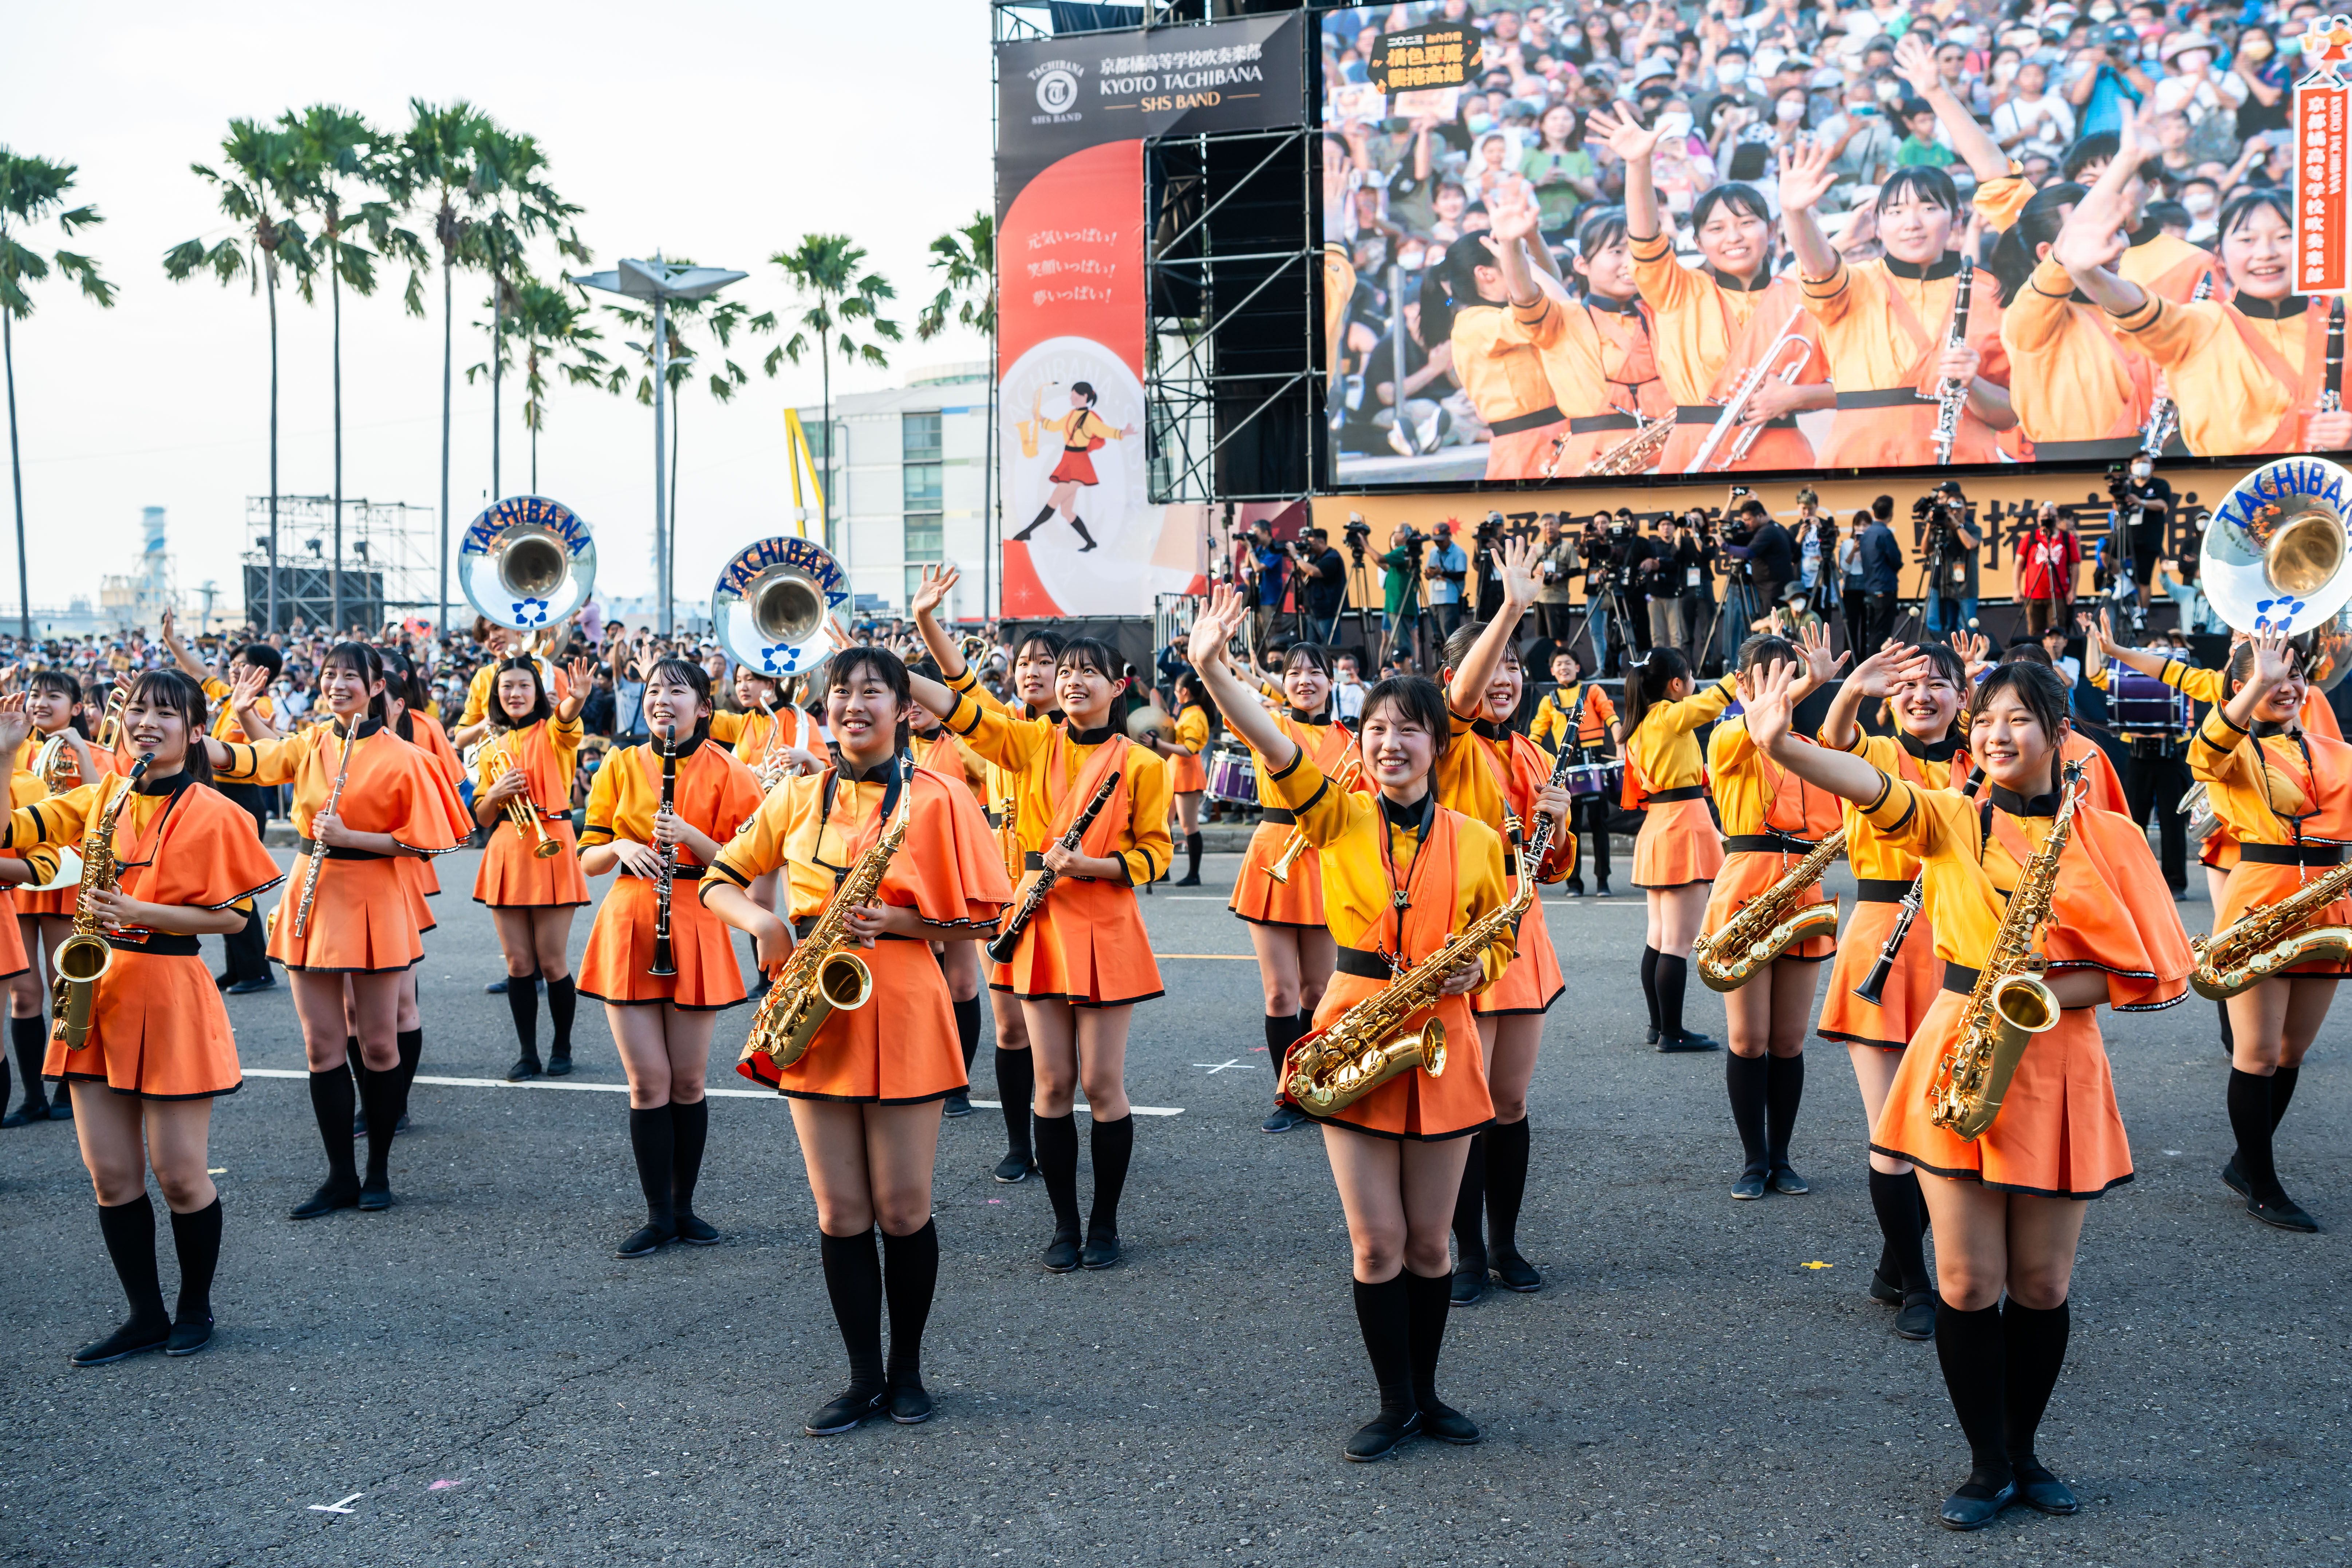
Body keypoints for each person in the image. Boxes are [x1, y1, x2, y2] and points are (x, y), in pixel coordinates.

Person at [1742, 653, 2189, 1531]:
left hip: (2055, 1057)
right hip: (1954, 1049)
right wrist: (1783, 745)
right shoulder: (1947, 815)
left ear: (2059, 736)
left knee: (2039, 1281)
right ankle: (1986, 1462)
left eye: (2016, 718)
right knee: (1961, 1275)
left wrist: (2043, 993)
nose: (1993, 733)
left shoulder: (2111, 835)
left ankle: (2025, 1451)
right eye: (1983, 719)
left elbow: (2151, 968)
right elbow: (1867, 783)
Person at [1183, 584, 1512, 1463]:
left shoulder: (1479, 839)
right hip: (1352, 1026)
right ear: (1359, 745)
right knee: (1375, 1243)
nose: (1389, 743)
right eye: (1374, 730)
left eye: (1408, 730)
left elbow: (1504, 931)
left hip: (1440, 1031)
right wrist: (1211, 666)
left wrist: (1487, 963)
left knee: (1431, 1241)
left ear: (1437, 745)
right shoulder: (1331, 812)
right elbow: (1268, 736)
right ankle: (1392, 1400)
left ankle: (1430, 1393)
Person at [703, 645, 1011, 1435]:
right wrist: (765, 922)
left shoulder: (942, 796)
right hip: (815, 1003)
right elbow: (717, 879)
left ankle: (908, 1370)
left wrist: (902, 920)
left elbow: (987, 917)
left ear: (904, 709)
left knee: (903, 1206)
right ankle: (861, 1376)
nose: (853, 704)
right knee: (840, 1209)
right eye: (840, 692)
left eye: (872, 692)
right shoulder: (797, 795)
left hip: (903, 994)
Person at [0, 672, 282, 1364]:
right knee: (112, 1176)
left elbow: (235, 917)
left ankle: (195, 1308)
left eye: (165, 712)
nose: (146, 722)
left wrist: (140, 912)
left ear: (193, 729)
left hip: (170, 985)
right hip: (94, 989)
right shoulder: (105, 792)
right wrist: (6, 754)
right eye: (137, 710)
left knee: (182, 1174)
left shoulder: (216, 810)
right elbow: (11, 832)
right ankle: (144, 1315)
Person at [911, 630, 1172, 1273]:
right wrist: (897, 667)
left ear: (1119, 686)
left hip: (1106, 922)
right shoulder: (1031, 741)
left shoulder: (1143, 764)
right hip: (1040, 922)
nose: (1074, 681)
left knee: (1102, 1083)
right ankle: (1064, 1224)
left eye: (1091, 673)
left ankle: (1106, 1223)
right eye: (1068, 673)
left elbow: (1156, 854)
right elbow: (963, 709)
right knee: (1052, 1083)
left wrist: (1093, 863)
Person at [210, 644, 467, 1219]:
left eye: (351, 674)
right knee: (321, 1045)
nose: (337, 683)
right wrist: (215, 720)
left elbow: (427, 839)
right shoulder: (308, 741)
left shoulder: (406, 755)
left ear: (378, 685)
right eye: (330, 674)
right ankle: (339, 1176)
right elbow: (251, 759)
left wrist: (353, 837)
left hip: (375, 892)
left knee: (378, 1042)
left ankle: (378, 1171)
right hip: (313, 891)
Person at [576, 657, 766, 1258]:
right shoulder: (620, 762)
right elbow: (586, 856)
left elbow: (751, 860)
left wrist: (687, 831)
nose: (662, 699)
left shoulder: (731, 772)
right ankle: (659, 1213)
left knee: (686, 1079)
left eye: (676, 691)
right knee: (648, 1080)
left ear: (703, 707)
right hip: (631, 917)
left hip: (697, 912)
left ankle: (685, 1207)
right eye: (654, 689)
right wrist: (622, 846)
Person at [1813, 639, 1974, 1341]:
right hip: (1885, 934)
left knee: (1948, 1120)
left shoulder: (1982, 760)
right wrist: (1851, 688)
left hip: (1964, 939)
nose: (1921, 695)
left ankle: (1892, 1262)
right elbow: (1834, 739)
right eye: (1908, 685)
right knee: (1892, 1134)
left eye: (1939, 684)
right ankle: (1915, 1283)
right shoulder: (1876, 751)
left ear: (1963, 696)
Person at [1436, 543, 1576, 1304]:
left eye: (1513, 670)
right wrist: (1512, 605)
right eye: (1491, 668)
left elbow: (1548, 869)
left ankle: (1502, 1243)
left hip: (1520, 944)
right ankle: (1458, 1251)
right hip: (1458, 939)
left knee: (1510, 1101)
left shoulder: (1531, 750)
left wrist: (1556, 824)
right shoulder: (1447, 736)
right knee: (1464, 1100)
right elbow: (1458, 696)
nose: (1503, 680)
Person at [2189, 629, 2347, 1233]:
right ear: (2241, 688)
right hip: (2260, 904)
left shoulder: (2334, 748)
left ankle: (2244, 1162)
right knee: (2255, 1054)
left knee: (2293, 1051)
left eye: (2295, 677)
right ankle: (2263, 1181)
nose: (2287, 687)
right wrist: (2254, 679)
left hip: (2327, 907)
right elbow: (2204, 755)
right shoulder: (2233, 751)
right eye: (2269, 679)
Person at [2049, 147, 2352, 459]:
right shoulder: (2198, 323)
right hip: (2222, 498)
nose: (2265, 253)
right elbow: (2136, 310)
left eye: (2285, 237)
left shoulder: (2345, 319)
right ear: (2219, 257)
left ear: (2314, 248)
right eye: (2247, 240)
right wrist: (2088, 274)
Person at [909, 584, 1063, 1184]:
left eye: (1046, 663)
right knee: (1009, 1025)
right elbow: (960, 683)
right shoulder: (1000, 724)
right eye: (1024, 662)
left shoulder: (1075, 734)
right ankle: (1020, 1143)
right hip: (1002, 885)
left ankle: (1062, 1126)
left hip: (1062, 887)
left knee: (1062, 1026)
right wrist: (925, 620)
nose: (1033, 672)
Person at [1587, 106, 1831, 475]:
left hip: (1782, 454)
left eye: (1747, 223)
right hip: (1694, 452)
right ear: (1698, 243)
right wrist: (1638, 166)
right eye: (1716, 229)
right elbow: (1646, 239)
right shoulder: (1679, 291)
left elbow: (1862, 384)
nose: (1733, 237)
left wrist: (1798, 396)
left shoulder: (1805, 295)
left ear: (1772, 230)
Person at [1700, 628, 1843, 1200]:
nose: (1780, 688)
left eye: (1791, 674)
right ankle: (1753, 1159)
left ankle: (1782, 1156)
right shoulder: (1727, 739)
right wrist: (1807, 683)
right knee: (1746, 1038)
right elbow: (1755, 726)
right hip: (1744, 893)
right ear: (1742, 683)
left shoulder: (1809, 749)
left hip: (1802, 895)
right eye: (1768, 676)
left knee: (1788, 1040)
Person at [1778, 143, 2016, 465]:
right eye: (1896, 212)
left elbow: (2009, 416)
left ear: (1958, 217)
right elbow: (1819, 267)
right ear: (1877, 224)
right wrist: (1796, 214)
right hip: (1858, 463)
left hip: (1963, 466)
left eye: (1930, 209)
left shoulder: (1994, 293)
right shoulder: (1854, 283)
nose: (1912, 223)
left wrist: (1974, 384)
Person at [1224, 642, 1357, 1136]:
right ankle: (1289, 1093)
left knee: (1318, 991)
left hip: (1326, 857)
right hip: (1273, 852)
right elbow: (1231, 700)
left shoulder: (1352, 740)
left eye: (1315, 672)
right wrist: (1216, 656)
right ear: (1283, 681)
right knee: (1280, 993)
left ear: (1332, 681)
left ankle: (1314, 1083)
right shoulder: (1272, 723)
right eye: (1295, 672)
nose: (1305, 680)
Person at [1481, 199, 1673, 479]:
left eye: (1636, 253)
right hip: (1591, 462)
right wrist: (1511, 246)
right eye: (1617, 252)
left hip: (1670, 454)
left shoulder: (1664, 313)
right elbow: (1526, 296)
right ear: (1582, 265)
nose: (1630, 263)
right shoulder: (1562, 318)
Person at [471, 655, 592, 1080]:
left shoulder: (554, 732)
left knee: (552, 961)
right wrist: (497, 792)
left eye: (524, 686)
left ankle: (562, 1045)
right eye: (507, 687)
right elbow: (482, 818)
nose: (515, 694)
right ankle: (527, 1053)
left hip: (552, 840)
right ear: (497, 695)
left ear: (537, 692)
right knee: (519, 963)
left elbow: (566, 718)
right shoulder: (490, 748)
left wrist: (576, 698)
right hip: (507, 845)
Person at [6, 667, 111, 1127]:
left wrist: (77, 745)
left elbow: (102, 800)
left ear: (76, 707)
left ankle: (71, 1084)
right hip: (20, 877)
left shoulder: (94, 751)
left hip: (67, 875)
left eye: (54, 695)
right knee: (24, 995)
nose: (41, 701)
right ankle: (32, 1096)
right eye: (35, 694)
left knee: (63, 983)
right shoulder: (14, 746)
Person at [159, 610, 279, 995]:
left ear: (262, 674)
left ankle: (257, 969)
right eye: (233, 664)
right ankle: (240, 966)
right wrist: (173, 642)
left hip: (243, 794)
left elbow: (263, 748)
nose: (231, 670)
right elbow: (198, 672)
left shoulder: (257, 706)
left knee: (236, 886)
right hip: (220, 792)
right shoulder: (228, 698)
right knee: (219, 884)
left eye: (242, 666)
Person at [1622, 647, 1736, 1052]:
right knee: (1678, 942)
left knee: (1659, 937)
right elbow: (1707, 706)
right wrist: (1740, 676)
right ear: (1676, 684)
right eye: (1689, 676)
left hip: (1659, 823)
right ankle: (1672, 1032)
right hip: (1683, 822)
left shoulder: (1638, 726)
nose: (1693, 683)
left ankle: (1660, 1026)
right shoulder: (1668, 716)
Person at [1528, 644, 1617, 897]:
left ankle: (1603, 881)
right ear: (1553, 672)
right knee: (1570, 826)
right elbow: (1536, 735)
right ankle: (1573, 882)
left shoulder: (1592, 691)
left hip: (1593, 765)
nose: (1563, 668)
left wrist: (1621, 742)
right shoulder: (1549, 700)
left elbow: (1611, 717)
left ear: (1578, 668)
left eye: (1568, 663)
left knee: (1600, 823)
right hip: (1567, 769)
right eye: (1559, 665)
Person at [1010, 382, 1137, 553]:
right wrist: (1040, 419)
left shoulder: (1090, 418)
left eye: (1074, 395)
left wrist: (1122, 433)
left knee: (1054, 501)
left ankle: (1028, 532)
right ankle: (1091, 543)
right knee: (1067, 512)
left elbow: (1103, 431)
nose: (1071, 397)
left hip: (1079, 464)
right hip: (1068, 460)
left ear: (1084, 396)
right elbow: (1055, 426)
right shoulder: (1071, 415)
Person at [1149, 671, 1211, 886]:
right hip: (1175, 771)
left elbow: (1189, 749)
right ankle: (1164, 871)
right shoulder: (1188, 712)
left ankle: (1194, 874)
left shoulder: (1195, 714)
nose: (1175, 694)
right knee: (1166, 824)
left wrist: (1159, 744)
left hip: (1187, 772)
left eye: (1176, 690)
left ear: (1184, 691)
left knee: (1188, 825)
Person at [2014, 506, 2080, 637]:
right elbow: (2018, 564)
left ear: (2057, 519)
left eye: (2051, 517)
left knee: (2057, 633)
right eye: (2044, 516)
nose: (2048, 519)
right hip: (2033, 594)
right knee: (2035, 633)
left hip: (2059, 595)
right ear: (2038, 519)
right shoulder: (2030, 538)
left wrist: (2073, 591)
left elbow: (2075, 566)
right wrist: (2017, 589)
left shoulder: (2067, 539)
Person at [1859, 503, 1904, 648]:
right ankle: (1877, 667)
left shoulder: (1867, 534)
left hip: (1871, 587)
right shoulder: (1884, 533)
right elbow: (1896, 560)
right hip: (1884, 587)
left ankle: (1872, 665)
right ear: (1891, 513)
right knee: (1882, 634)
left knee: (1874, 631)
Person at [1424, 522, 1469, 641]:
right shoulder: (1433, 552)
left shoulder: (1459, 552)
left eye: (1441, 541)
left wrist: (1442, 573)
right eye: (1436, 541)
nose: (1439, 544)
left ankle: (1451, 660)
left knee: (1450, 638)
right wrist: (1429, 574)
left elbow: (1461, 575)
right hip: (1434, 600)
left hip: (1450, 600)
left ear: (1449, 536)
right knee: (1436, 638)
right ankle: (1440, 660)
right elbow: (1428, 572)